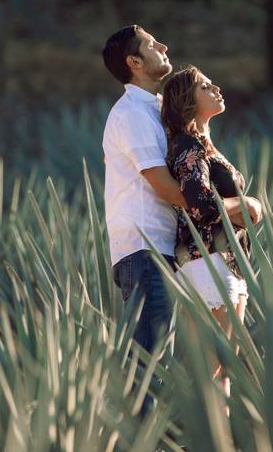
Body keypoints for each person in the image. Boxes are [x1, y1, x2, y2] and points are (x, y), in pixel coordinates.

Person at [161, 65, 262, 399]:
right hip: (209, 261)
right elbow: (199, 202)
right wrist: (246, 204)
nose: (216, 87)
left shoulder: (201, 144)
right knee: (214, 371)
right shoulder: (189, 144)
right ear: (188, 101)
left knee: (220, 371)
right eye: (205, 85)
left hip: (223, 262)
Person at [101, 25, 187, 360]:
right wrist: (225, 209)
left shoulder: (156, 108)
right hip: (145, 250)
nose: (164, 45)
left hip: (161, 249)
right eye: (152, 44)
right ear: (134, 62)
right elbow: (164, 187)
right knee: (152, 368)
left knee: (159, 363)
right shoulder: (132, 114)